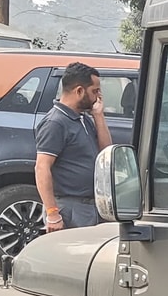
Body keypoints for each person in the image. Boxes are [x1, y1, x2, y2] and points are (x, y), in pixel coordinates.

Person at [34, 62, 111, 232]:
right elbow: (42, 167)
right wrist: (53, 213)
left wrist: (98, 116)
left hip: (92, 206)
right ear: (79, 91)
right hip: (71, 208)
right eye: (95, 91)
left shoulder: (82, 118)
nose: (99, 96)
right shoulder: (55, 123)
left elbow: (105, 153)